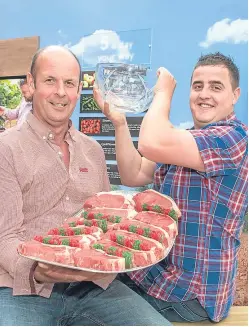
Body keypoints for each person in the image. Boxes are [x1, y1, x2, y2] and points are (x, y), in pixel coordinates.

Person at [0, 45, 171, 326]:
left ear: (79, 89)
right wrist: (39, 269)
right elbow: (4, 237)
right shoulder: (6, 148)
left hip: (92, 287)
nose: (60, 92)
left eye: (69, 83)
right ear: (30, 85)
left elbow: (104, 220)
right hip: (20, 289)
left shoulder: (93, 150)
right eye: (49, 81)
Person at [93, 52, 248, 323]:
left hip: (191, 296)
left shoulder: (234, 138)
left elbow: (151, 143)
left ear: (235, 95)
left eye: (216, 86)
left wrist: (162, 92)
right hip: (160, 279)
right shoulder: (188, 138)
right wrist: (119, 123)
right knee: (89, 281)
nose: (204, 94)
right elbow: (134, 173)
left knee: (85, 303)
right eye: (197, 86)